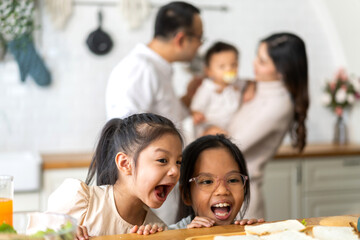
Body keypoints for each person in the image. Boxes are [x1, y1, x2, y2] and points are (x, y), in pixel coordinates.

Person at [205, 32, 309, 219]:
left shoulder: (280, 104)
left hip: (241, 202)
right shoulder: (258, 85)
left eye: (262, 61)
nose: (254, 63)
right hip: (224, 193)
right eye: (257, 56)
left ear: (282, 71)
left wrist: (210, 136)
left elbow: (232, 146)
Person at [47, 113, 183, 237]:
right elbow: (38, 233)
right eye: (162, 160)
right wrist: (60, 234)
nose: (175, 171)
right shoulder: (80, 201)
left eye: (178, 162)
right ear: (125, 164)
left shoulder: (157, 229)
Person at [106, 1, 204, 126]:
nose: (200, 45)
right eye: (199, 38)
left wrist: (189, 97)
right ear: (181, 39)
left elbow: (167, 118)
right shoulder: (140, 68)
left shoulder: (157, 67)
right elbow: (127, 133)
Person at [169, 134, 264, 229]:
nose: (222, 190)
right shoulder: (168, 235)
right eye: (207, 182)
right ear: (186, 194)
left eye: (232, 180)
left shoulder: (246, 232)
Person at [191, 41, 255, 137]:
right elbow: (196, 107)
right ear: (209, 71)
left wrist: (251, 88)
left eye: (234, 65)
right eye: (222, 66)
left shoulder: (237, 83)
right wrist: (197, 115)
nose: (229, 69)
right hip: (210, 124)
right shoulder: (207, 87)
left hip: (231, 125)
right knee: (214, 133)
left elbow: (251, 82)